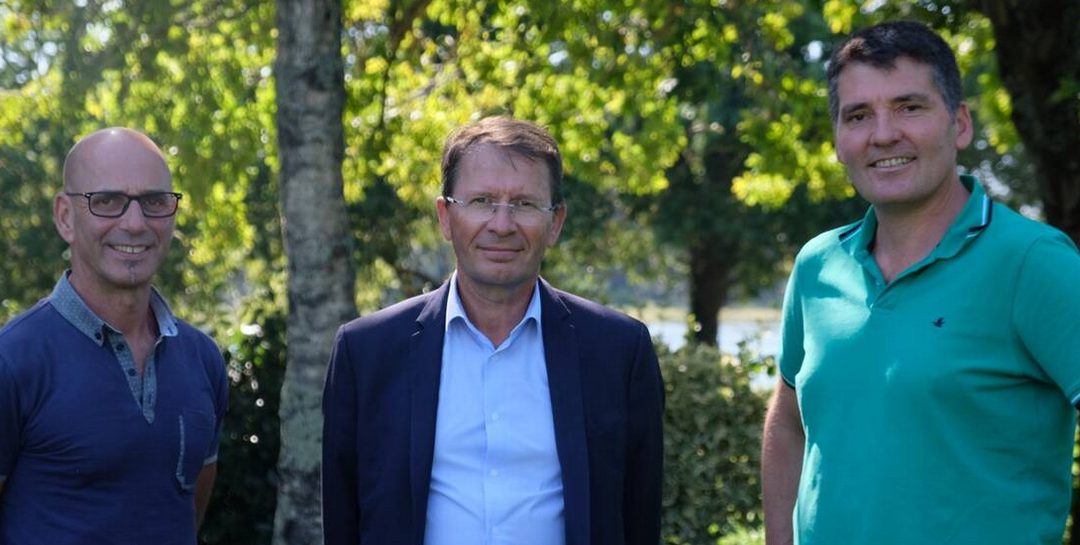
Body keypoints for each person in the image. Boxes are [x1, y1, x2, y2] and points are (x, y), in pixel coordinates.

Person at [761, 20, 1080, 545]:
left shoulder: (1033, 262)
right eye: (858, 115)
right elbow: (790, 424)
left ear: (959, 124)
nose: (883, 134)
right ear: (839, 141)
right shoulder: (817, 266)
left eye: (909, 106)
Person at [322, 116, 665, 545]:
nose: (501, 225)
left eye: (524, 204)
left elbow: (639, 518)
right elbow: (342, 521)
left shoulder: (618, 353)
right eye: (482, 200)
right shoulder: (367, 354)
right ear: (446, 217)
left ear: (555, 222)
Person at [0, 128, 229, 544]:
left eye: (155, 202)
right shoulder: (13, 361)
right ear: (65, 217)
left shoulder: (203, 359)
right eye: (107, 202)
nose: (135, 223)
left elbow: (187, 510)